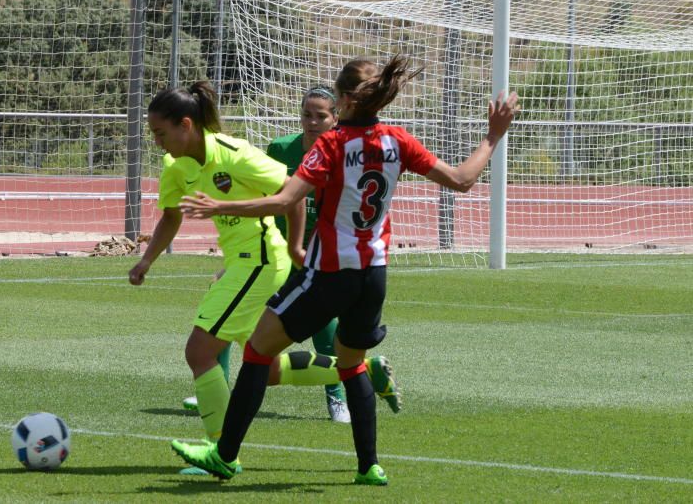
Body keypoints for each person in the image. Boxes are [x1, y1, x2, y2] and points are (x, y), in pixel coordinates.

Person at [171, 56, 519, 486]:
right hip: (374, 275)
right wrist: (493, 135)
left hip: (330, 273)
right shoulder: (397, 140)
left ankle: (224, 456)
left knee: (258, 349)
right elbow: (463, 179)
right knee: (352, 362)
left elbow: (284, 200)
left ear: (343, 100)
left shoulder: (332, 145)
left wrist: (220, 206)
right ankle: (369, 466)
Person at [128, 81, 395, 475]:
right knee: (265, 368)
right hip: (242, 262)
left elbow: (291, 193)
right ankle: (357, 369)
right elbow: (171, 216)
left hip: (261, 262)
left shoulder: (235, 156)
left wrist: (294, 247)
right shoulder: (175, 165)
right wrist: (147, 260)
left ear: (186, 125)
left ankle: (220, 452)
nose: (156, 142)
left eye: (160, 133)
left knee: (199, 352)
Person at [180, 86, 402, 424]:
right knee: (224, 316)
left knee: (324, 331)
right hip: (276, 256)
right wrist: (245, 259)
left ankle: (337, 397)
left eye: (321, 116)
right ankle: (216, 386)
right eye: (307, 115)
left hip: (322, 259)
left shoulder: (347, 151)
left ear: (335, 117)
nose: (312, 122)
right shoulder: (282, 149)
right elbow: (268, 198)